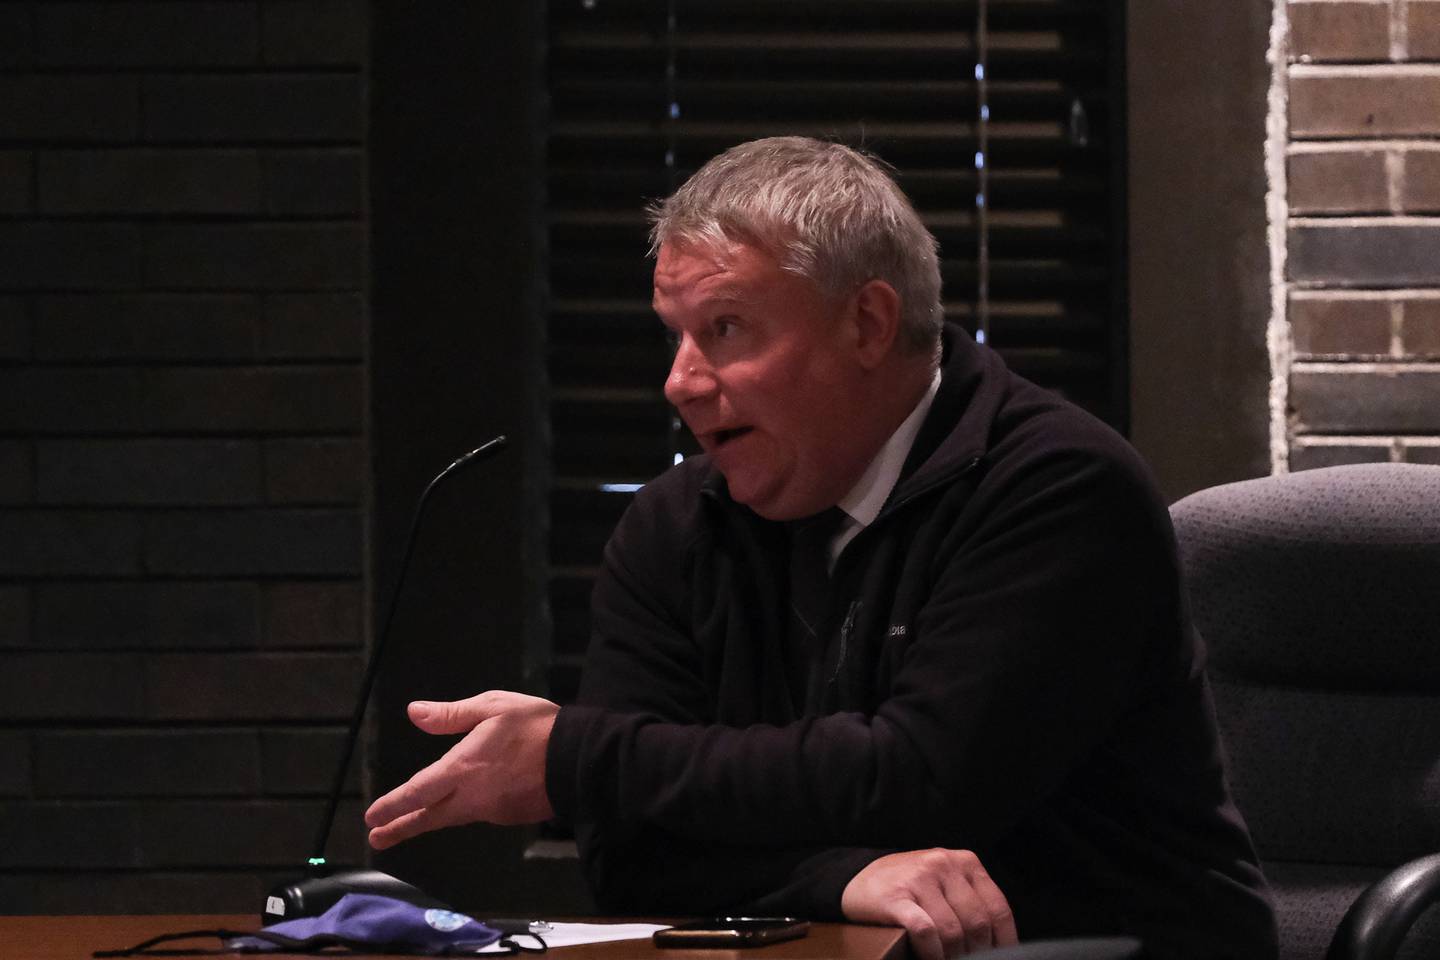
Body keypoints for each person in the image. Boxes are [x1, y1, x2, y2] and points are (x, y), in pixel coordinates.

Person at [365, 137, 1278, 959]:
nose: (680, 382)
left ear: (868, 325)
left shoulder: (1062, 487)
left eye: (725, 330)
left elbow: (921, 778)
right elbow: (629, 860)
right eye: (673, 336)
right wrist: (835, 882)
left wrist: (576, 757)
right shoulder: (672, 527)